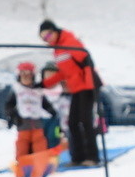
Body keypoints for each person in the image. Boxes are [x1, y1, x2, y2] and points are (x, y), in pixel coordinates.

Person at [39, 18, 102, 166]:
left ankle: (92, 157)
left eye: (48, 35)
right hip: (76, 88)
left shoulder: (68, 41)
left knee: (85, 121)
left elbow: (86, 60)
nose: (47, 39)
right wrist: (44, 83)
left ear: (55, 31)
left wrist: (89, 85)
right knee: (73, 122)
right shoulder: (57, 49)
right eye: (44, 38)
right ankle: (78, 157)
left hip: (87, 85)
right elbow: (64, 72)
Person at [6, 62, 62, 162]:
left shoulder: (38, 90)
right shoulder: (16, 89)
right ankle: (22, 161)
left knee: (39, 142)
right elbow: (9, 105)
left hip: (37, 122)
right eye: (23, 75)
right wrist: (12, 116)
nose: (26, 77)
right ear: (19, 76)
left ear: (33, 76)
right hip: (23, 122)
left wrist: (53, 112)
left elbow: (45, 104)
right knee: (22, 143)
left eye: (29, 75)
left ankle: (40, 160)